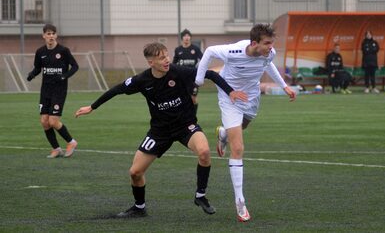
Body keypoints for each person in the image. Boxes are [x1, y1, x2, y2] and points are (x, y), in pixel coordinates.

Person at [75, 43, 247, 218]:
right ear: (151, 62)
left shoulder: (178, 71)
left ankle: (200, 195)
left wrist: (230, 92)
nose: (167, 60)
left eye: (167, 55)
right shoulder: (142, 80)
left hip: (185, 126)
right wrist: (92, 107)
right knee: (135, 172)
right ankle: (139, 207)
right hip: (160, 131)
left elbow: (209, 74)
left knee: (204, 152)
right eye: (161, 58)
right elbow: (117, 89)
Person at [194, 23, 296, 222]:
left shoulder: (269, 53)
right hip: (230, 98)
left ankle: (223, 133)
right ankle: (240, 202)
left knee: (244, 126)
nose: (270, 47)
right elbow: (209, 51)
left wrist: (284, 86)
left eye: (271, 43)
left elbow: (269, 64)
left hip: (251, 97)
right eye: (267, 43)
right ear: (254, 43)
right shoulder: (233, 50)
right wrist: (198, 79)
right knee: (238, 148)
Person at [26, 24, 79, 158]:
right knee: (44, 121)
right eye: (48, 34)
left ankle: (72, 142)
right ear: (43, 35)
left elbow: (75, 66)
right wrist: (32, 75)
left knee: (53, 121)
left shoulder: (63, 51)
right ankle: (56, 149)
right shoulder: (40, 52)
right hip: (45, 90)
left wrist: (64, 76)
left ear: (56, 35)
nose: (50, 36)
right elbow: (38, 68)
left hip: (59, 90)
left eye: (53, 33)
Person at [173, 29, 203, 113]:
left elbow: (203, 59)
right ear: (182, 38)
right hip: (182, 78)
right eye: (185, 36)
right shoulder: (178, 50)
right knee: (181, 99)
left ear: (190, 38)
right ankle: (183, 117)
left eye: (188, 36)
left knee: (193, 99)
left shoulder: (195, 49)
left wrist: (200, 70)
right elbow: (174, 64)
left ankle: (193, 117)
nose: (187, 38)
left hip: (193, 78)